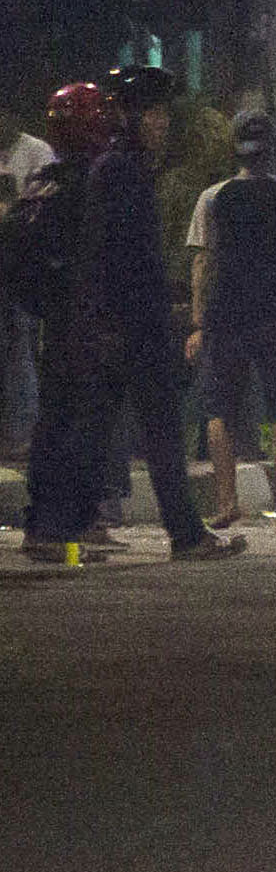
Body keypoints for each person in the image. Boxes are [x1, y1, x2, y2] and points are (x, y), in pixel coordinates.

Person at [76, 66, 242, 561]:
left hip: (125, 320)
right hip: (132, 324)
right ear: (129, 117)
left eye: (163, 112)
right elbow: (118, 256)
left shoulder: (124, 169)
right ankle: (185, 535)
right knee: (159, 429)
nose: (161, 122)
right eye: (152, 112)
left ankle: (79, 521)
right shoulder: (121, 171)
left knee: (105, 427)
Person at [186, 110, 276, 532]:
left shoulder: (213, 197)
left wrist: (197, 322)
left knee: (219, 408)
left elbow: (202, 262)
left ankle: (227, 503)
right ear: (274, 150)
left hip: (226, 313)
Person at [3, 84, 110, 555]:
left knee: (60, 417)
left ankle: (69, 521)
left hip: (58, 315)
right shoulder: (91, 179)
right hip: (83, 318)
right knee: (71, 421)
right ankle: (51, 525)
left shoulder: (44, 177)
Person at [0, 101, 55, 463]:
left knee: (21, 348)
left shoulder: (36, 152)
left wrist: (14, 202)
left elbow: (44, 205)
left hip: (19, 263)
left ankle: (23, 432)